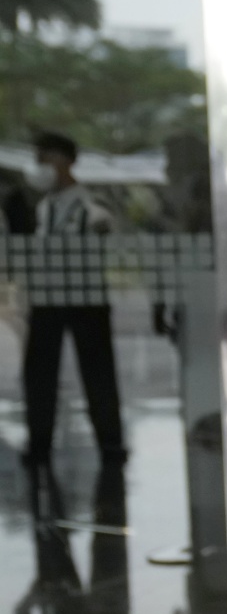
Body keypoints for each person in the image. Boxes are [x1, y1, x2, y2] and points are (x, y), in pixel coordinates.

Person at [21, 131, 124, 468]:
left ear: (64, 161)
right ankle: (39, 444)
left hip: (86, 298)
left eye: (45, 158)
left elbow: (108, 238)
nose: (39, 166)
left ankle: (110, 445)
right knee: (39, 373)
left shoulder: (92, 207)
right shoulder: (44, 207)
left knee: (97, 372)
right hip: (47, 297)